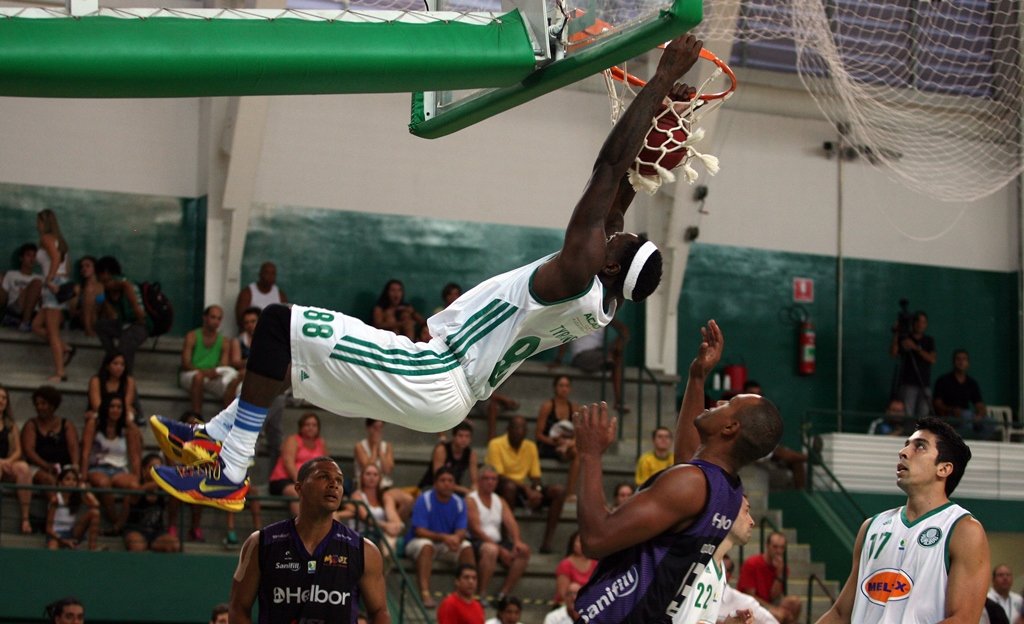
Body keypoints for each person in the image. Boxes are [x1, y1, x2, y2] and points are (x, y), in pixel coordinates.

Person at [149, 31, 675, 512]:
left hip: (435, 373)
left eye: (624, 240)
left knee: (275, 325)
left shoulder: (578, 271)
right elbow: (618, 196)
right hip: (445, 389)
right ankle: (214, 438)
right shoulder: (603, 298)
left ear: (609, 261)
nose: (620, 230)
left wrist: (662, 78)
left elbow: (607, 172)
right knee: (287, 363)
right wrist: (658, 131)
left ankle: (232, 468)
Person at [572, 316, 783, 623]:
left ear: (730, 427)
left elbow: (595, 539)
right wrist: (697, 377)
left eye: (728, 403)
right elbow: (689, 458)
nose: (719, 400)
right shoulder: (726, 491)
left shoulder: (691, 484)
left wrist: (589, 455)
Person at [814, 417, 989, 624]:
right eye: (906, 445)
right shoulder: (871, 527)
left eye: (920, 447)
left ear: (943, 469)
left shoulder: (963, 529)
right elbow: (840, 614)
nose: (903, 452)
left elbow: (962, 620)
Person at [229, 456, 390, 623]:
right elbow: (238, 608)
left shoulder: (364, 550)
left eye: (339, 480)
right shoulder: (261, 543)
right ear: (299, 488)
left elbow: (380, 612)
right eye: (323, 476)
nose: (334, 484)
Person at [669, 496, 755, 624]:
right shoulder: (691, 558)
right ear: (727, 512)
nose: (752, 521)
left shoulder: (720, 568)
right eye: (746, 512)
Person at [487, 415, 566, 554]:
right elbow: (498, 476)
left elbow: (535, 476)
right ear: (508, 429)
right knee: (509, 487)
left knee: (558, 491)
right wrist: (526, 488)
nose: (519, 431)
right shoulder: (495, 444)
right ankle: (507, 538)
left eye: (523, 428)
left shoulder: (530, 446)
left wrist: (536, 491)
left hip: (524, 489)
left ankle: (547, 542)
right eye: (516, 427)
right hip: (503, 488)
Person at [406, 467, 475, 608]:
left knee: (467, 547)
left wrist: (456, 538)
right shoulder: (424, 499)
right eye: (443, 480)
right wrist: (445, 537)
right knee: (426, 546)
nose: (447, 484)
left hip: (445, 543)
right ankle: (425, 594)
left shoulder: (459, 502)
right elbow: (419, 530)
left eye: (450, 481)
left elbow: (462, 530)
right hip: (417, 542)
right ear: (435, 483)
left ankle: (466, 596)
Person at [466, 464, 531, 601]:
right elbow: (475, 529)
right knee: (491, 550)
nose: (490, 482)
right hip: (477, 540)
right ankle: (481, 593)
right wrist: (500, 550)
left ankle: (503, 593)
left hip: (497, 540)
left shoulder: (499, 500)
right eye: (486, 479)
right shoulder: (471, 499)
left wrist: (517, 541)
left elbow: (511, 522)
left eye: (494, 479)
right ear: (479, 480)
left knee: (524, 550)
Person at [80, 396, 142, 531]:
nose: (115, 410)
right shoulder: (94, 424)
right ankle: (115, 520)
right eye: (112, 406)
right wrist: (83, 476)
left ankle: (120, 524)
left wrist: (137, 476)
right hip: (98, 467)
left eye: (119, 407)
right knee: (103, 484)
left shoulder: (127, 429)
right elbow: (85, 451)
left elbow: (135, 456)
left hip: (119, 469)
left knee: (134, 486)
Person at [552, 316, 631, 413]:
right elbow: (565, 334)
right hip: (581, 355)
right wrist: (558, 359)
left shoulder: (603, 313)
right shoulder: (579, 310)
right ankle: (608, 360)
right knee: (613, 358)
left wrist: (617, 346)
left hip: (599, 352)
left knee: (617, 356)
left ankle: (619, 401)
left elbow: (624, 330)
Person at [31, 209, 75, 382]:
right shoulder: (61, 241)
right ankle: (65, 349)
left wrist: (49, 280)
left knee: (53, 331)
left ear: (44, 223)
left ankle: (60, 372)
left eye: (39, 221)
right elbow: (67, 266)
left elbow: (55, 259)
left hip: (53, 283)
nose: (37, 225)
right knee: (36, 325)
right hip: (60, 282)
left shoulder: (46, 238)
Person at [179, 305, 239, 417]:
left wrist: (212, 373)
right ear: (205, 318)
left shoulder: (224, 341)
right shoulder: (192, 336)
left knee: (232, 383)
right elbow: (186, 364)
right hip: (191, 374)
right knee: (198, 377)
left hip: (213, 375)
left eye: (219, 318)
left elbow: (223, 366)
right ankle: (197, 415)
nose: (216, 321)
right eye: (213, 317)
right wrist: (204, 372)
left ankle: (228, 421)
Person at [94, 256, 150, 375]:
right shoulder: (106, 289)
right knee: (100, 326)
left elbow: (126, 286)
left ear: (106, 273)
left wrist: (136, 309)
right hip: (124, 323)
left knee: (125, 345)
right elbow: (110, 312)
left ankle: (126, 377)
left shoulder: (117, 281)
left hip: (140, 324)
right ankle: (112, 355)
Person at [268, 412, 329, 516]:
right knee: (296, 492)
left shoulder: (321, 442)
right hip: (284, 480)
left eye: (314, 425)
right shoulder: (293, 440)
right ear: (301, 427)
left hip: (311, 482)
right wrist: (302, 483)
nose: (311, 428)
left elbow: (326, 465)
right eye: (307, 425)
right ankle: (304, 526)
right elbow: (288, 463)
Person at [736, 531, 802, 624]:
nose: (778, 551)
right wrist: (772, 608)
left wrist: (779, 574)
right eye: (775, 547)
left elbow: (774, 596)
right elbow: (749, 596)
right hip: (748, 605)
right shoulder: (752, 563)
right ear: (767, 546)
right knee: (777, 615)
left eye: (782, 547)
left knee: (795, 603)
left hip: (768, 603)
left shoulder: (783, 568)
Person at [355, 418, 414, 519]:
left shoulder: (387, 446)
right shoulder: (359, 446)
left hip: (385, 487)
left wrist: (381, 452)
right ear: (368, 428)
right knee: (388, 499)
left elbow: (388, 470)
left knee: (408, 500)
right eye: (375, 428)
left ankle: (391, 525)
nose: (378, 431)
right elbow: (368, 468)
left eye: (380, 428)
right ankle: (387, 527)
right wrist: (374, 448)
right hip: (366, 487)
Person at [21, 385, 80, 487]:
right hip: (38, 467)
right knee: (48, 480)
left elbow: (73, 447)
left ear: (53, 405)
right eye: (37, 404)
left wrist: (74, 466)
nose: (39, 407)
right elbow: (29, 451)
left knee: (78, 482)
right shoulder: (31, 425)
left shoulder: (66, 424)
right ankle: (56, 501)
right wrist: (46, 465)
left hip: (63, 466)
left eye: (43, 404)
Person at [122, 453, 181, 553]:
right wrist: (158, 483)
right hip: (136, 530)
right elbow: (136, 494)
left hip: (157, 532)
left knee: (174, 544)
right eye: (153, 468)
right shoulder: (135, 486)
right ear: (144, 470)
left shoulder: (162, 490)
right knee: (137, 546)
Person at [535, 375, 580, 497]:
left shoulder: (574, 408)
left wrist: (569, 443)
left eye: (567, 386)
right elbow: (538, 434)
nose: (564, 389)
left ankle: (570, 492)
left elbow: (578, 433)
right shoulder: (547, 406)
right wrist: (556, 442)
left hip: (567, 445)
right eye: (561, 385)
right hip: (549, 444)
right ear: (555, 388)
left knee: (577, 451)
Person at [933, 349, 994, 439]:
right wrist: (952, 410)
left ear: (968, 363)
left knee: (989, 422)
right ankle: (962, 444)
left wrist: (980, 414)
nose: (961, 362)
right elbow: (937, 404)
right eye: (958, 359)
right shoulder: (943, 380)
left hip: (968, 416)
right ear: (954, 362)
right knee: (966, 416)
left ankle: (978, 444)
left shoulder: (971, 383)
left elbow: (979, 404)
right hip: (949, 416)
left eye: (964, 359)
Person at [889, 310, 937, 417]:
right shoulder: (905, 338)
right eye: (918, 321)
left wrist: (915, 348)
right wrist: (897, 333)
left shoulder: (928, 340)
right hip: (908, 383)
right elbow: (893, 353)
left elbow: (932, 359)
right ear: (913, 323)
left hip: (924, 383)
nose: (920, 324)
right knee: (907, 415)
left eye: (923, 322)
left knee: (923, 416)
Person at [0, 384, 33, 534]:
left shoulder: (11, 425)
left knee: (24, 468)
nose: (1, 401)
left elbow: (19, 450)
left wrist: (8, 461)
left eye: (4, 398)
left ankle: (25, 518)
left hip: (6, 463)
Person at [45, 465, 101, 551]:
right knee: (53, 545)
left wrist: (85, 490)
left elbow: (96, 504)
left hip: (72, 532)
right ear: (60, 483)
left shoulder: (77, 497)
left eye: (74, 480)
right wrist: (64, 541)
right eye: (67, 479)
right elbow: (49, 529)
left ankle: (92, 549)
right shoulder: (55, 499)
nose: (71, 482)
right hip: (56, 535)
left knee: (95, 513)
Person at [350, 463, 404, 551]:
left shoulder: (384, 497)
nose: (372, 477)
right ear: (362, 477)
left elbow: (394, 517)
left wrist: (396, 525)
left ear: (380, 478)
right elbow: (366, 517)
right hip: (363, 533)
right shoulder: (357, 495)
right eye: (368, 474)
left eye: (375, 474)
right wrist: (386, 526)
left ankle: (387, 561)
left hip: (380, 534)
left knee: (394, 540)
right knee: (383, 541)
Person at [420, 420, 480, 497]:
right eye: (460, 436)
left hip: (455, 489)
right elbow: (439, 479)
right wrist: (465, 490)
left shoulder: (471, 454)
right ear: (454, 437)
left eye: (467, 436)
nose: (464, 439)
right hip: (432, 486)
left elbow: (475, 481)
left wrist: (474, 491)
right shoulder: (442, 450)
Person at [86, 351, 140, 425]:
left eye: (122, 365)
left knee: (130, 418)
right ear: (107, 366)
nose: (119, 367)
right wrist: (112, 412)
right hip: (101, 413)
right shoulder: (96, 381)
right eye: (115, 364)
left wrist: (117, 411)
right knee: (93, 419)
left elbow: (126, 404)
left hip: (120, 413)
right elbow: (96, 405)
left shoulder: (129, 381)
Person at [1, 242, 42, 332]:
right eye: (28, 255)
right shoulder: (11, 275)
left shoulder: (40, 278)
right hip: (15, 309)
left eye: (34, 256)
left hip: (33, 312)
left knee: (37, 283)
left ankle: (24, 322)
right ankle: (23, 322)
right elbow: (2, 298)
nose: (32, 259)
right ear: (21, 258)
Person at [234, 261, 287, 326]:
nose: (270, 276)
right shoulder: (247, 293)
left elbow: (285, 319)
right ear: (260, 274)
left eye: (273, 273)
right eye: (267, 273)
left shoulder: (280, 295)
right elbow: (241, 320)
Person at [555, 531, 597, 605]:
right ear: (573, 543)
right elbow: (562, 594)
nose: (580, 544)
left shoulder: (596, 563)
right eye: (578, 541)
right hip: (568, 606)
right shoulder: (565, 564)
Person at [68, 255, 104, 337]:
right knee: (89, 290)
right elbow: (72, 312)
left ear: (95, 268)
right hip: (81, 319)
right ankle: (88, 329)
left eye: (87, 266)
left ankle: (92, 329)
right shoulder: (78, 288)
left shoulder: (101, 286)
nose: (84, 269)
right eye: (82, 267)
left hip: (98, 316)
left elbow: (103, 306)